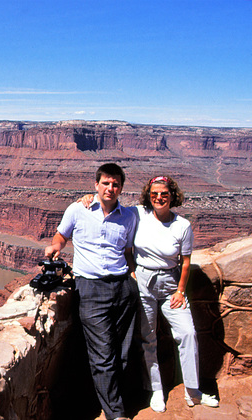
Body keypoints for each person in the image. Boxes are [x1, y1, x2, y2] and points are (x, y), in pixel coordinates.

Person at [80, 175, 219, 412]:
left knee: (188, 333)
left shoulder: (182, 226)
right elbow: (111, 207)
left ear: (172, 195)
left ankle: (193, 391)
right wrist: (88, 198)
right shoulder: (138, 214)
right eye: (154, 193)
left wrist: (180, 291)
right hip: (142, 283)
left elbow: (186, 262)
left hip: (170, 284)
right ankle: (155, 390)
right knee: (148, 338)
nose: (159, 197)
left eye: (164, 193)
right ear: (148, 196)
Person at [45, 163, 137, 420]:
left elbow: (128, 252)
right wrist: (54, 248)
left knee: (123, 352)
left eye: (115, 184)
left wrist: (133, 278)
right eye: (105, 183)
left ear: (121, 187)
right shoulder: (78, 209)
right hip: (91, 287)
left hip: (123, 287)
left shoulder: (129, 216)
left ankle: (107, 399)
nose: (110, 188)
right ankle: (116, 414)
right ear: (96, 185)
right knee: (103, 353)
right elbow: (61, 236)